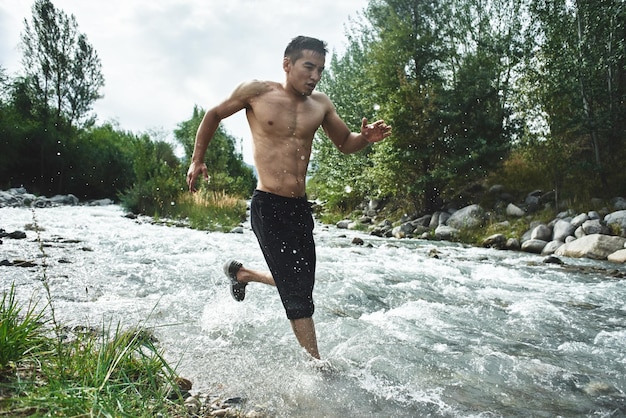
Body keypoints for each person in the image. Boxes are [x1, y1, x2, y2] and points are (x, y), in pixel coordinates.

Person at [186, 35, 391, 360]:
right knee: (298, 297)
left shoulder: (320, 105)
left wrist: (365, 139)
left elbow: (345, 143)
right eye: (308, 67)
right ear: (287, 65)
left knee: (300, 287)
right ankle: (319, 367)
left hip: (299, 208)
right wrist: (198, 159)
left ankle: (243, 274)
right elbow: (213, 114)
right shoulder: (256, 92)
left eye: (320, 70)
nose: (315, 76)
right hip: (268, 206)